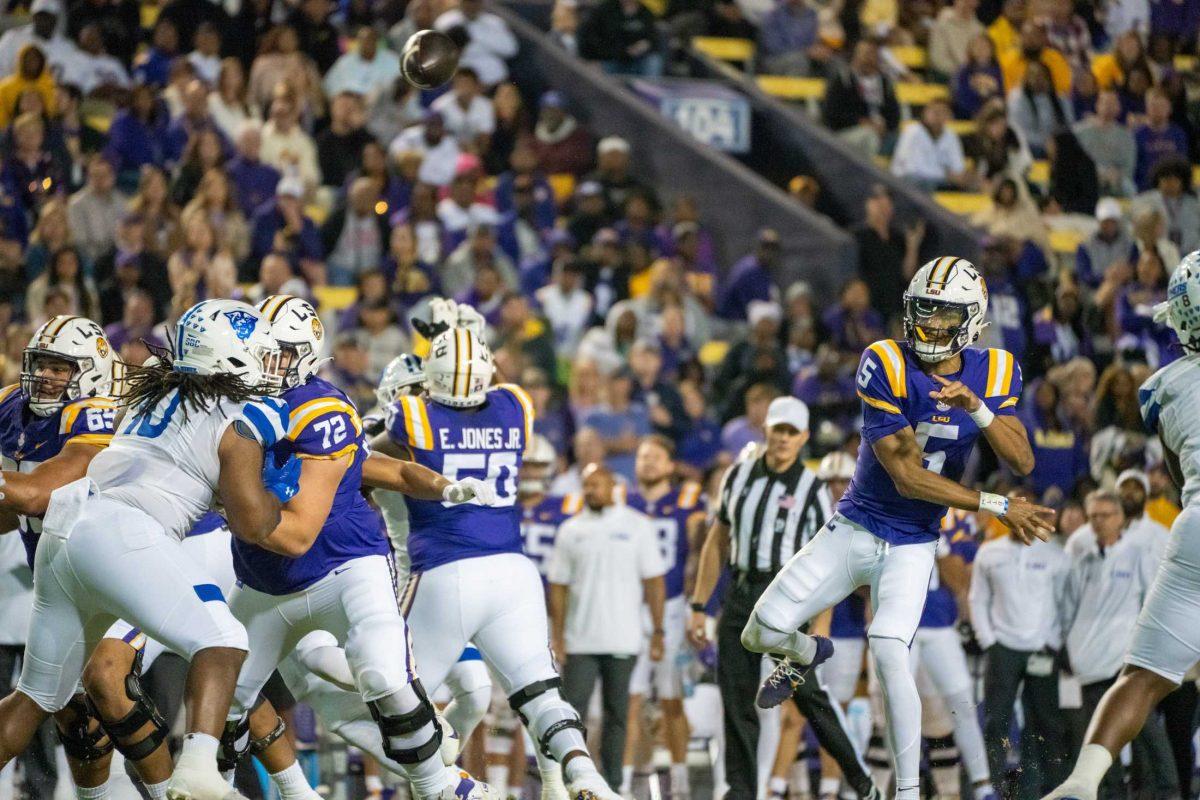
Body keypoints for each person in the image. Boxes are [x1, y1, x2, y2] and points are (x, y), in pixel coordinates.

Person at [738, 257, 1054, 800]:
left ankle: (904, 793)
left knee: (887, 647)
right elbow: (907, 477)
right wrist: (996, 504)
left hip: (913, 541)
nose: (930, 327)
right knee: (759, 631)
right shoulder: (884, 360)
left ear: (973, 319)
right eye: (923, 314)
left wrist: (977, 407)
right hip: (857, 523)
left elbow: (1023, 460)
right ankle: (805, 652)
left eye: (943, 316)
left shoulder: (994, 370)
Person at [0, 299, 294, 800]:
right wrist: (274, 495)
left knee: (35, 697)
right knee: (223, 637)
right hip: (124, 536)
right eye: (260, 353)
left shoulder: (156, 385)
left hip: (64, 528)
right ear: (235, 355)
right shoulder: (246, 413)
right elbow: (251, 524)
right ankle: (198, 774)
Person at [227, 295, 495, 800]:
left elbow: (306, 525)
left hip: (339, 565)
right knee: (221, 706)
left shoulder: (319, 408)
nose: (264, 361)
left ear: (305, 355)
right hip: (265, 581)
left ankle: (440, 784)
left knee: (380, 672)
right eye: (257, 348)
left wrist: (442, 485)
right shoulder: (233, 399)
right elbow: (375, 466)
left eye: (277, 351)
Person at [374, 322, 623, 799]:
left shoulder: (413, 416)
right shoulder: (513, 407)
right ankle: (585, 774)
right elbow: (493, 377)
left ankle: (448, 787)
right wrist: (467, 334)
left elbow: (372, 462)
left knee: (393, 692)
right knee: (541, 693)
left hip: (446, 571)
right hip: (513, 570)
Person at [0, 316, 185, 798]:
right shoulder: (9, 406)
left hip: (119, 571)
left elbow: (39, 492)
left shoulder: (97, 412)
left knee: (106, 677)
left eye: (60, 368)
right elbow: (13, 511)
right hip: (57, 573)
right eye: (40, 365)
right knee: (69, 709)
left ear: (92, 373)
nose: (45, 377)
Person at [1045, 251, 1200, 800]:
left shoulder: (1165, 387)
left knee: (1142, 675)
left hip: (1196, 525)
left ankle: (1082, 784)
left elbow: (1182, 479)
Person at [688, 397, 881, 800]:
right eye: (778, 429)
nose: (783, 439)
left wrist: (819, 629)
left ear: (804, 438)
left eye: (792, 432)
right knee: (737, 703)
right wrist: (698, 604)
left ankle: (862, 783)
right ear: (767, 430)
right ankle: (740, 792)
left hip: (787, 601)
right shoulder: (737, 476)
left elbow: (828, 563)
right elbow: (717, 540)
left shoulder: (812, 490)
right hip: (739, 595)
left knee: (811, 697)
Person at [363, 346, 496, 752]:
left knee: (476, 692)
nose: (423, 398)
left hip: (446, 576)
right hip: (409, 581)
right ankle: (419, 780)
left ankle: (441, 774)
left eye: (428, 388)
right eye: (413, 391)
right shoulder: (379, 438)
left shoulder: (447, 428)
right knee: (398, 700)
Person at [549, 462, 666, 792]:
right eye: (586, 485)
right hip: (580, 639)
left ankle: (614, 785)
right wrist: (557, 636)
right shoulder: (571, 529)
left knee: (618, 714)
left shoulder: (637, 526)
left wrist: (658, 631)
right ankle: (571, 783)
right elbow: (558, 585)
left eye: (597, 484)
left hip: (623, 638)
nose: (591, 491)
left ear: (613, 486)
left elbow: (654, 582)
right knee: (573, 715)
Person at [1060, 490, 1166, 800]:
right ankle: (1113, 794)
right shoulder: (1081, 554)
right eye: (1093, 516)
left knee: (1149, 735)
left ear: (1120, 518)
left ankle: (1166, 791)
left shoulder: (1138, 553)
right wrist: (1067, 647)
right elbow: (1069, 605)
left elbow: (1151, 603)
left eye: (1105, 515)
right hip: (1090, 662)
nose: (1098, 522)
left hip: (1128, 661)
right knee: (1103, 741)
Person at [622, 435, 705, 799]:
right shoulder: (624, 500)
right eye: (642, 456)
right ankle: (627, 782)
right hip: (628, 606)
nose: (648, 463)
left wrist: (695, 606)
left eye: (656, 457)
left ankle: (681, 782)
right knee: (630, 699)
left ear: (671, 465)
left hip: (671, 607)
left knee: (672, 699)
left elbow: (701, 552)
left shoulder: (688, 501)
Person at [890, 98, 972, 190]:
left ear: (949, 116)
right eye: (934, 112)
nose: (937, 116)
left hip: (939, 182)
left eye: (943, 113)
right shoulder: (913, 131)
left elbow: (958, 167)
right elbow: (912, 168)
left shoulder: (951, 135)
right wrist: (946, 174)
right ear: (925, 113)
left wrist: (955, 176)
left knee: (969, 187)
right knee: (923, 184)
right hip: (907, 181)